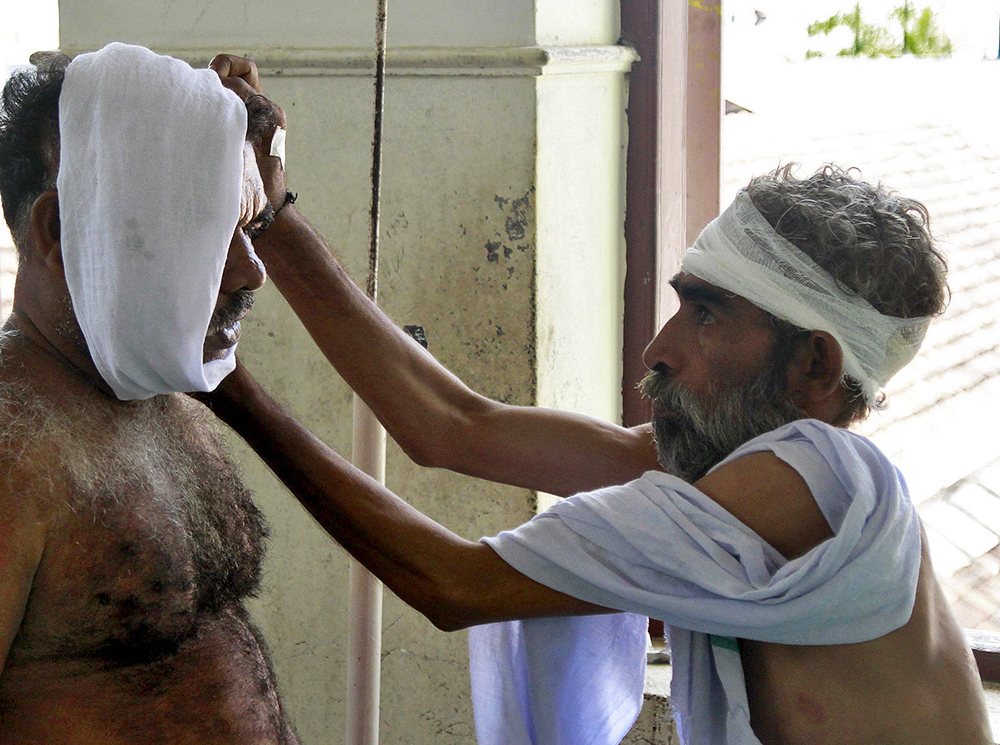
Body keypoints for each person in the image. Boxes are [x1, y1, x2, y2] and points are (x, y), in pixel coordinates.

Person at [197, 57, 993, 744]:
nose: (657, 351)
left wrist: (225, 382)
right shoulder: (741, 470)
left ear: (815, 365)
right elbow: (453, 428)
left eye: (707, 316)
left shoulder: (805, 480)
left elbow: (455, 583)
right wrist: (269, 214)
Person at [0, 46, 300, 744]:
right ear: (57, 232)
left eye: (247, 228)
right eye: (204, 230)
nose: (252, 270)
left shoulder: (160, 395)